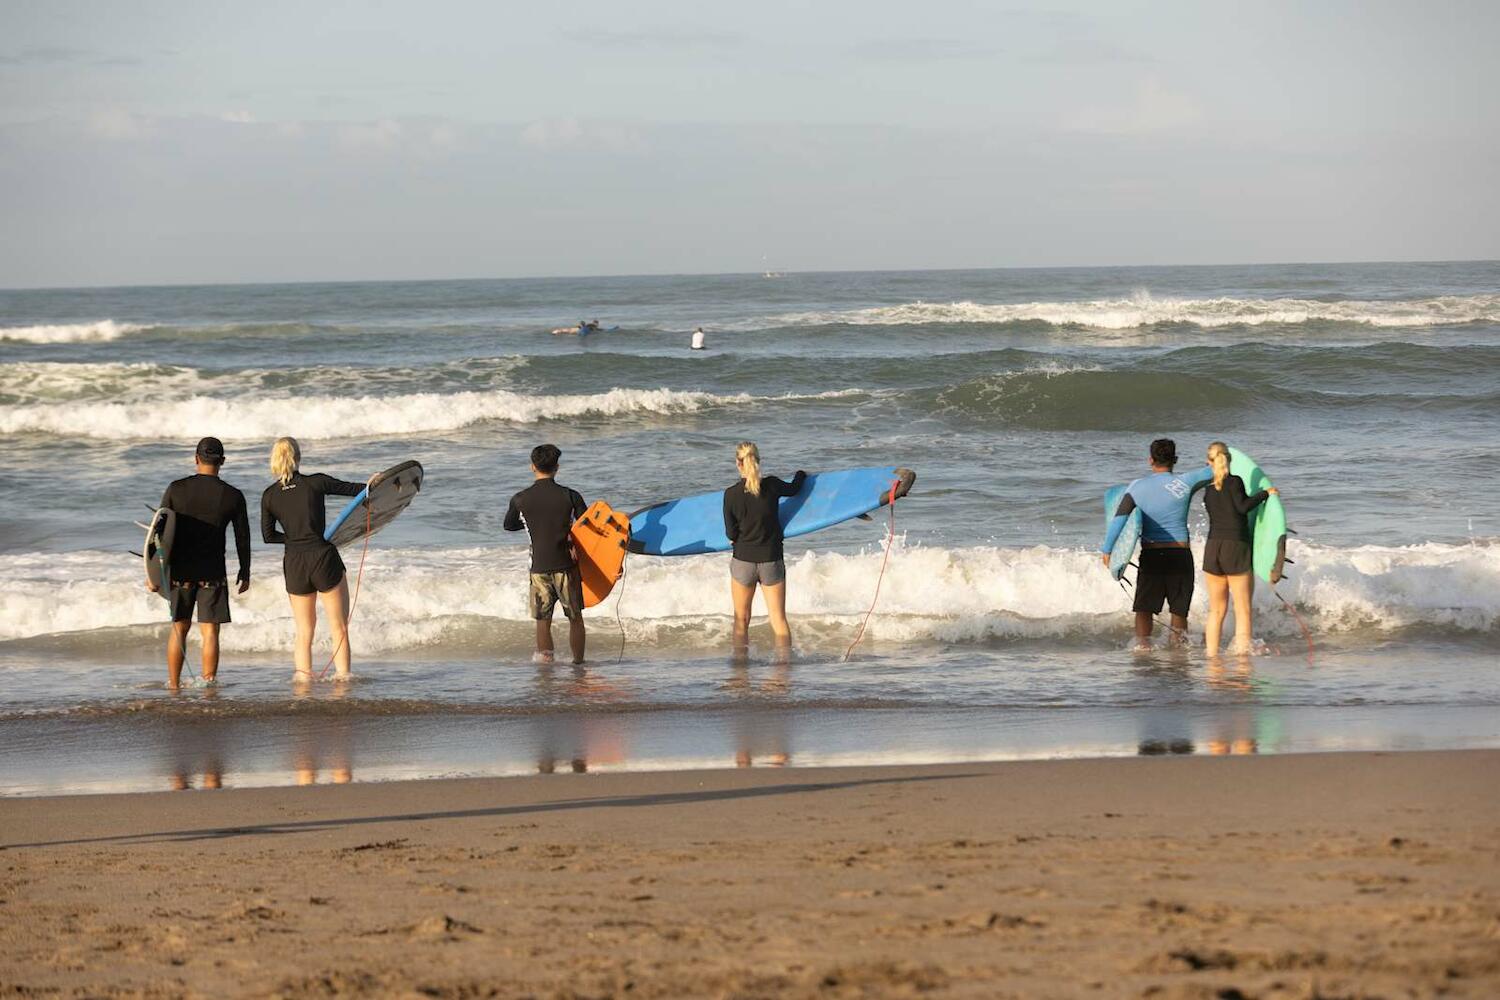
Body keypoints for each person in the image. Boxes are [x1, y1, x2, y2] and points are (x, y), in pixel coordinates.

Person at [260, 437, 368, 681]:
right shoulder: (316, 483)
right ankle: (342, 679)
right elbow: (356, 490)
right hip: (322, 557)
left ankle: (303, 682)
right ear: (298, 457)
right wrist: (376, 483)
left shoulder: (269, 495)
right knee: (338, 626)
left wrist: (295, 539)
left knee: (304, 630)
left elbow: (268, 536)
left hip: (295, 563)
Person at [153, 436, 250, 690]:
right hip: (213, 572)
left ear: (196, 459)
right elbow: (243, 538)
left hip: (180, 571)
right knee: (210, 632)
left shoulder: (176, 489)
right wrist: (245, 571)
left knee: (179, 628)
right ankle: (208, 688)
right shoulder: (233, 496)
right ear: (223, 461)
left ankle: (174, 686)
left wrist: (153, 573)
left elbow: (158, 533)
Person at [1100, 438, 1213, 646]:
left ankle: (1143, 649)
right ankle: (1178, 653)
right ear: (1175, 459)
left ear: (1150, 460)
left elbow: (1119, 520)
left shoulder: (1136, 487)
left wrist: (1107, 550)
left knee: (1144, 609)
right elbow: (1215, 470)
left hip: (1151, 556)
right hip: (1180, 556)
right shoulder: (1186, 482)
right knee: (1179, 611)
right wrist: (1211, 461)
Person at [504, 443, 587, 664]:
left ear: (533, 467)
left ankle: (546, 666)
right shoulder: (571, 496)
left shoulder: (520, 499)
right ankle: (578, 664)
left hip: (539, 569)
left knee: (543, 620)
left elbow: (509, 525)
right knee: (575, 618)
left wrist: (533, 522)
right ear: (557, 467)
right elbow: (587, 528)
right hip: (566, 567)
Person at [723, 441, 806, 651]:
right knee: (778, 620)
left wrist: (736, 537)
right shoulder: (773, 485)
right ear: (758, 461)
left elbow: (731, 533)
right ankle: (783, 670)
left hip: (743, 561)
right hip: (771, 560)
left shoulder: (730, 494)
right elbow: (795, 489)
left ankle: (741, 672)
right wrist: (801, 474)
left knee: (741, 621)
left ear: (737, 463)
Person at [1201, 441, 1279, 656]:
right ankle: (1243, 657)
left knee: (1216, 610)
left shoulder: (1207, 491)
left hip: (1213, 550)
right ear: (1229, 460)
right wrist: (1265, 494)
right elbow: (1242, 508)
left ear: (1208, 462)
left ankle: (1212, 657)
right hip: (1235, 548)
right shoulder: (1235, 482)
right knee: (1243, 609)